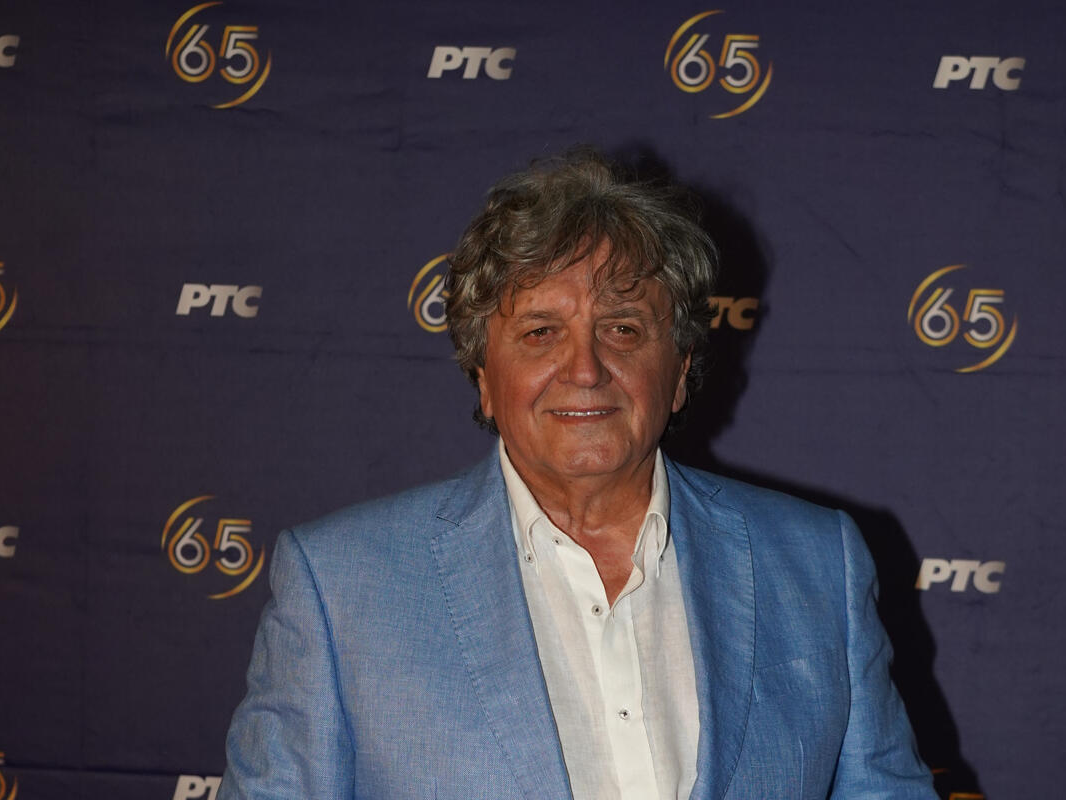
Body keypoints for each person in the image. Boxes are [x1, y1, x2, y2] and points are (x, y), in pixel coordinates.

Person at [219, 150, 936, 799]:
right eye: (540, 333)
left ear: (680, 371)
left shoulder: (817, 565)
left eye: (623, 328)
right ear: (484, 377)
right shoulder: (341, 588)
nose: (586, 369)